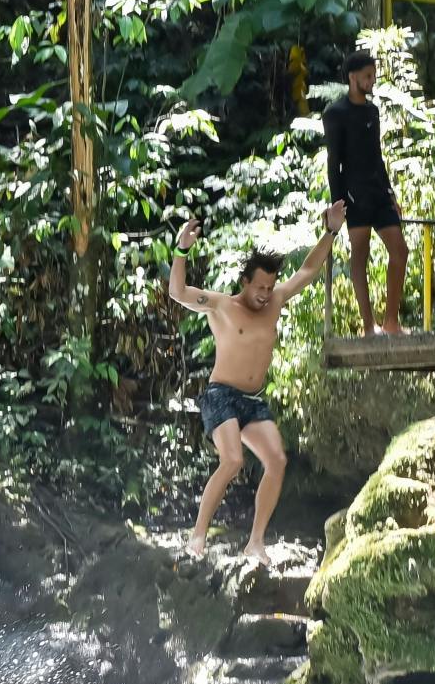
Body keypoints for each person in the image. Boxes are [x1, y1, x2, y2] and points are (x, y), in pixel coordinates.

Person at [170, 201, 348, 565]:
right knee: (233, 460)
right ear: (244, 283)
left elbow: (308, 270)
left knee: (277, 461)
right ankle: (198, 536)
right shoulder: (220, 305)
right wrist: (181, 250)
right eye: (259, 287)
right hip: (221, 395)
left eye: (269, 286)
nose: (265, 294)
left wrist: (330, 231)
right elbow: (178, 292)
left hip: (253, 399)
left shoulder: (276, 300)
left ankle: (255, 542)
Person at [322, 51, 409, 335]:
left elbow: (377, 156)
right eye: (367, 76)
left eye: (373, 75)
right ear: (353, 77)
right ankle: (368, 325)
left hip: (378, 191)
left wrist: (391, 193)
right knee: (360, 255)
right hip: (354, 194)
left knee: (400, 250)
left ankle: (391, 322)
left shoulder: (372, 111)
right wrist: (339, 203)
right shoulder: (335, 114)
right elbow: (334, 161)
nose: (372, 81)